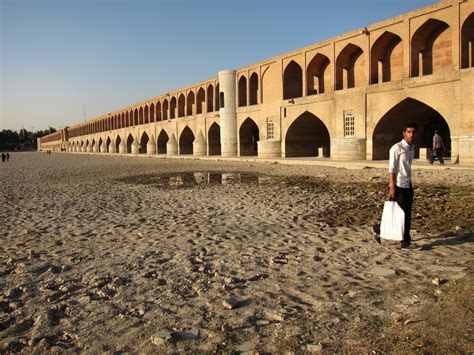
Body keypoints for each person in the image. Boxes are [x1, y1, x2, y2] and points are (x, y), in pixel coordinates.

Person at [373, 122, 417, 249]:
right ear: (404, 133)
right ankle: (404, 241)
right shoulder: (396, 148)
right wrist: (391, 186)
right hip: (398, 185)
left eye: (413, 132)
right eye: (409, 132)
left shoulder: (412, 149)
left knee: (406, 213)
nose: (411, 134)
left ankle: (380, 229)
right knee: (400, 213)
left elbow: (407, 168)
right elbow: (391, 169)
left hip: (408, 184)